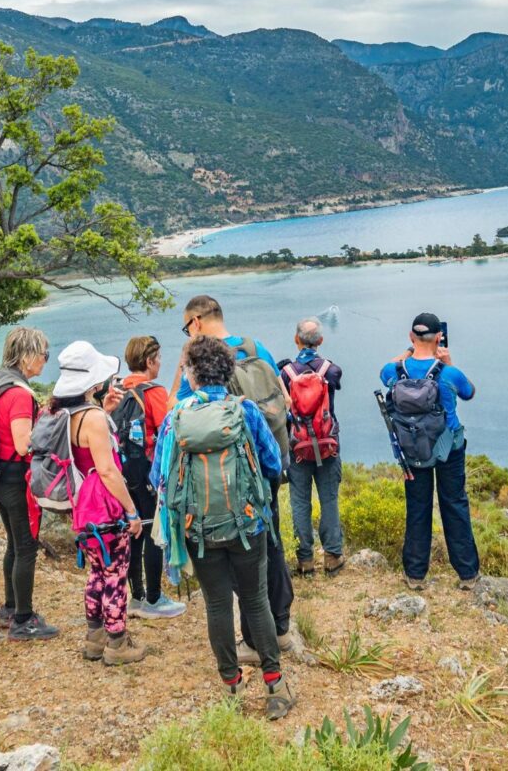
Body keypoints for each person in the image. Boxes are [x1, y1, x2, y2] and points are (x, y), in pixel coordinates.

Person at [154, 335, 295, 719]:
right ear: (227, 371)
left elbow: (158, 477)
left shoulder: (176, 419)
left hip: (198, 530)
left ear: (192, 375)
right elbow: (271, 463)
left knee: (218, 604)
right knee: (256, 600)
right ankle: (275, 684)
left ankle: (231, 686)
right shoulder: (246, 412)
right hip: (248, 524)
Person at [175, 295, 297, 656]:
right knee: (270, 543)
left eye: (186, 327)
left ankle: (253, 639)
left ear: (196, 322)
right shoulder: (254, 347)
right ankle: (281, 628)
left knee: (236, 556)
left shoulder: (198, 361)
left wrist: (181, 366)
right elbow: (284, 399)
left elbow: (175, 415)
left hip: (224, 482)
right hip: (264, 467)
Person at [53, 340, 150, 666]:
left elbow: (82, 449)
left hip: (83, 507)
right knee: (115, 575)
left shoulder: (65, 412)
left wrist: (104, 411)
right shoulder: (92, 418)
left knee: (97, 572)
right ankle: (117, 643)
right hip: (105, 507)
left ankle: (95, 638)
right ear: (93, 383)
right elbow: (107, 470)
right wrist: (132, 511)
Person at [379, 313, 480, 591]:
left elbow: (385, 368)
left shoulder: (395, 373)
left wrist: (409, 351)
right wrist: (448, 361)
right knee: (454, 504)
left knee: (418, 508)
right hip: (449, 448)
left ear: (411, 337)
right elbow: (469, 392)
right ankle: (467, 574)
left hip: (413, 450)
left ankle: (415, 575)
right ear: (439, 338)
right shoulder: (448, 373)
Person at [0, 326, 57, 641]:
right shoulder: (18, 393)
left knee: (15, 543)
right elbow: (21, 443)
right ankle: (23, 620)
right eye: (43, 354)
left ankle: (11, 608)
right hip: (16, 478)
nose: (45, 360)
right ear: (27, 356)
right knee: (26, 545)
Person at [119, 336, 185, 620]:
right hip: (147, 470)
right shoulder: (153, 391)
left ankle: (135, 596)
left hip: (124, 472)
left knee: (134, 529)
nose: (159, 364)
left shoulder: (119, 389)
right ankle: (155, 598)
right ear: (148, 361)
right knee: (153, 531)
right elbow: (168, 424)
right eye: (157, 359)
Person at [282, 319, 345, 577]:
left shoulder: (285, 373)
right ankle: (332, 556)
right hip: (327, 445)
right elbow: (336, 382)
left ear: (296, 340)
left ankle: (305, 560)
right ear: (320, 341)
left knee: (300, 503)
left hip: (298, 447)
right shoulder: (331, 370)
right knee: (329, 499)